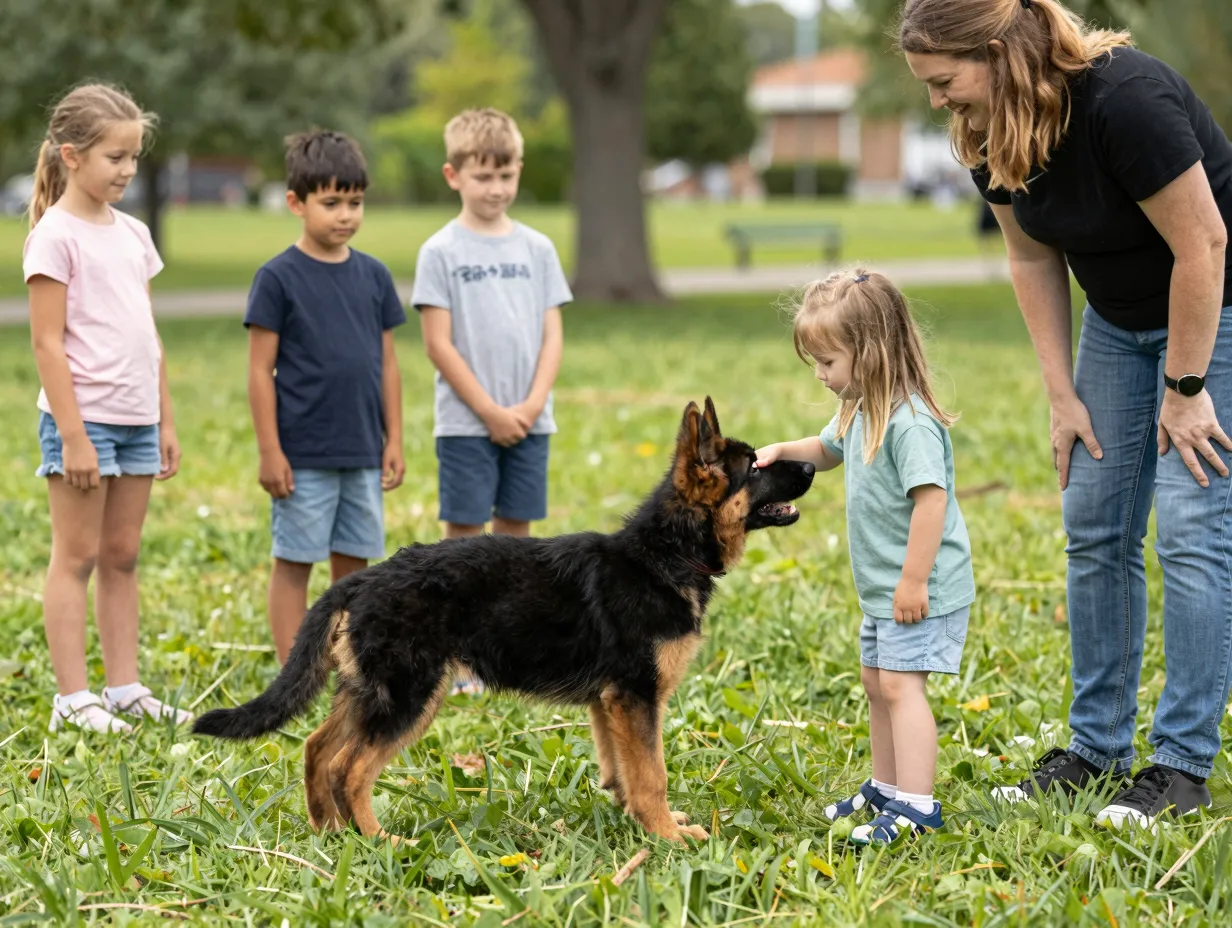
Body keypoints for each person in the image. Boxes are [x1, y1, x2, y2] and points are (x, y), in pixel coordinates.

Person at [901, 0, 1232, 829]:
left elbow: (1205, 247)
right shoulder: (987, 131)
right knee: (1094, 522)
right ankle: (1096, 751)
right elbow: (1029, 255)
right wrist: (1061, 393)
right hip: (1117, 325)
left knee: (1191, 524)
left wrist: (1185, 392)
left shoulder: (1126, 100)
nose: (940, 103)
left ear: (998, 52)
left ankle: (1182, 767)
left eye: (945, 82)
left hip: (1215, 310)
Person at [756, 269, 975, 845]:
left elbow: (932, 502)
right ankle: (886, 786)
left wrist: (913, 580)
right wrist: (782, 450)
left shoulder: (910, 423)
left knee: (903, 690)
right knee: (877, 684)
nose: (822, 376)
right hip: (883, 590)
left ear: (872, 352)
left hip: (918, 589)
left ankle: (918, 806)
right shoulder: (860, 406)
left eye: (828, 362)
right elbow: (826, 450)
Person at [25, 83, 190, 733]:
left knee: (122, 554)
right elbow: (45, 342)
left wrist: (166, 418)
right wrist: (73, 436)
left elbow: (147, 335)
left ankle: (124, 687)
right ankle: (74, 697)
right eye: (114, 158)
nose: (127, 170)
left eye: (133, 158)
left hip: (137, 419)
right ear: (71, 155)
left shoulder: (134, 234)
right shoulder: (54, 236)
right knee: (78, 556)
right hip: (84, 422)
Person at [411, 108, 571, 696]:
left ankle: (506, 654)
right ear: (454, 175)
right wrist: (489, 412)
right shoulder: (440, 251)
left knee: (516, 542)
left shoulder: (538, 248)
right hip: (465, 425)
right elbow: (437, 343)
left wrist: (529, 405)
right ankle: (456, 655)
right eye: (482, 177)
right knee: (464, 540)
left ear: (519, 171)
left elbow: (553, 334)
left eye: (505, 176)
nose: (495, 189)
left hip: (531, 419)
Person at [244, 130, 406, 665]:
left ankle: (346, 659)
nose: (345, 215)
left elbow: (386, 362)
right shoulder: (277, 278)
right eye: (331, 202)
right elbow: (259, 370)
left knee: (354, 564)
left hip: (361, 450)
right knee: (295, 561)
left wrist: (394, 439)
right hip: (303, 454)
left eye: (355, 202)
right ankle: (295, 667)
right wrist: (271, 450)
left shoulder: (375, 276)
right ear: (296, 203)